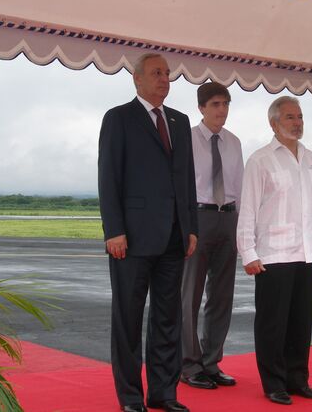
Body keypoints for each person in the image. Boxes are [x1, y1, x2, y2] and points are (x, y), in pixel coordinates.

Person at [98, 53, 198, 412]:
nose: (164, 79)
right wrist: (114, 230)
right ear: (136, 79)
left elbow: (186, 180)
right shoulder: (119, 119)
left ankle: (163, 393)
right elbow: (108, 177)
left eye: (168, 73)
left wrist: (191, 228)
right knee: (128, 320)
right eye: (157, 73)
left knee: (167, 320)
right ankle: (130, 398)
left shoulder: (180, 121)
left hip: (173, 237)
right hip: (132, 239)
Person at [236, 96, 312, 406]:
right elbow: (248, 208)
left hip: (304, 252)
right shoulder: (260, 160)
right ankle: (274, 383)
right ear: (274, 123)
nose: (297, 122)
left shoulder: (311, 158)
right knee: (273, 323)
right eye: (290, 117)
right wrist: (248, 251)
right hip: (273, 253)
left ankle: (298, 379)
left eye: (300, 116)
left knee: (300, 321)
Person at [180, 82, 244, 390]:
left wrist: (242, 230)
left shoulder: (234, 142)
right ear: (201, 108)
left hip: (228, 218)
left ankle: (211, 362)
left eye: (226, 104)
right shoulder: (186, 140)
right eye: (216, 104)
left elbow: (241, 187)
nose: (222, 110)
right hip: (198, 218)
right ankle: (189, 364)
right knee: (189, 295)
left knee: (221, 296)